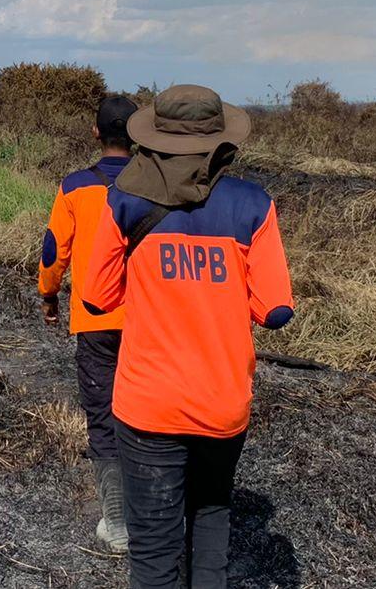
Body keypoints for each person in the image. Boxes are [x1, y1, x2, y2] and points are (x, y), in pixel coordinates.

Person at [83, 84, 294, 589]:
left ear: (155, 138)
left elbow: (97, 297)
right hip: (222, 403)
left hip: (147, 406)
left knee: (154, 551)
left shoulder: (125, 201)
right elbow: (276, 311)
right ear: (220, 140)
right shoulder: (253, 205)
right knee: (211, 521)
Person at [38, 95, 139, 553]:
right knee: (149, 416)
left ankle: (116, 523)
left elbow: (53, 249)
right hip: (151, 321)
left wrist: (48, 296)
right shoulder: (156, 187)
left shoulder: (76, 186)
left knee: (102, 414)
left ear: (95, 133)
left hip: (94, 319)